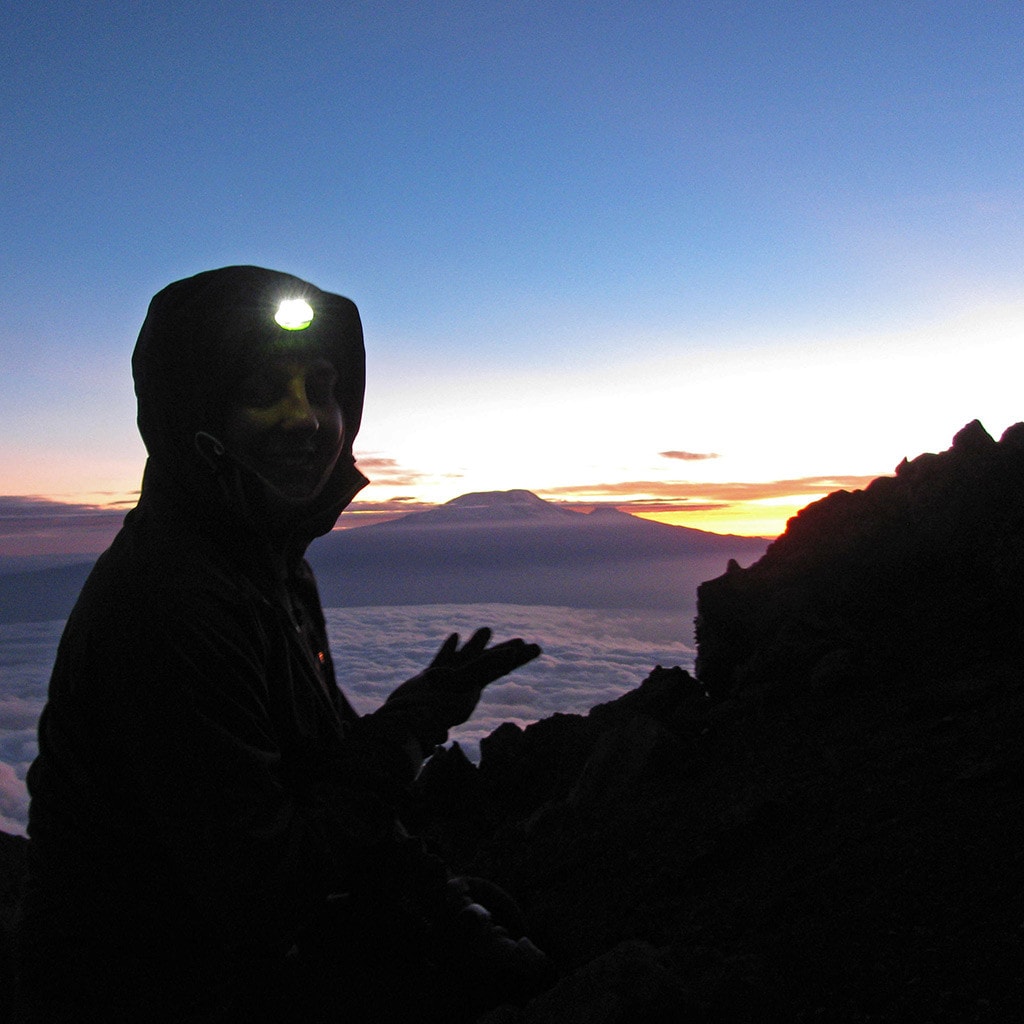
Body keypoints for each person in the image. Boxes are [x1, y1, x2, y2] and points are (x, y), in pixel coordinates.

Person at [16, 266, 546, 1023]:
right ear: (192, 415)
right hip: (140, 987)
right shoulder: (171, 604)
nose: (306, 419)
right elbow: (265, 888)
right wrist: (409, 734)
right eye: (264, 389)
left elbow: (311, 771)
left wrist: (442, 898)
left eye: (322, 387)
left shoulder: (262, 564)